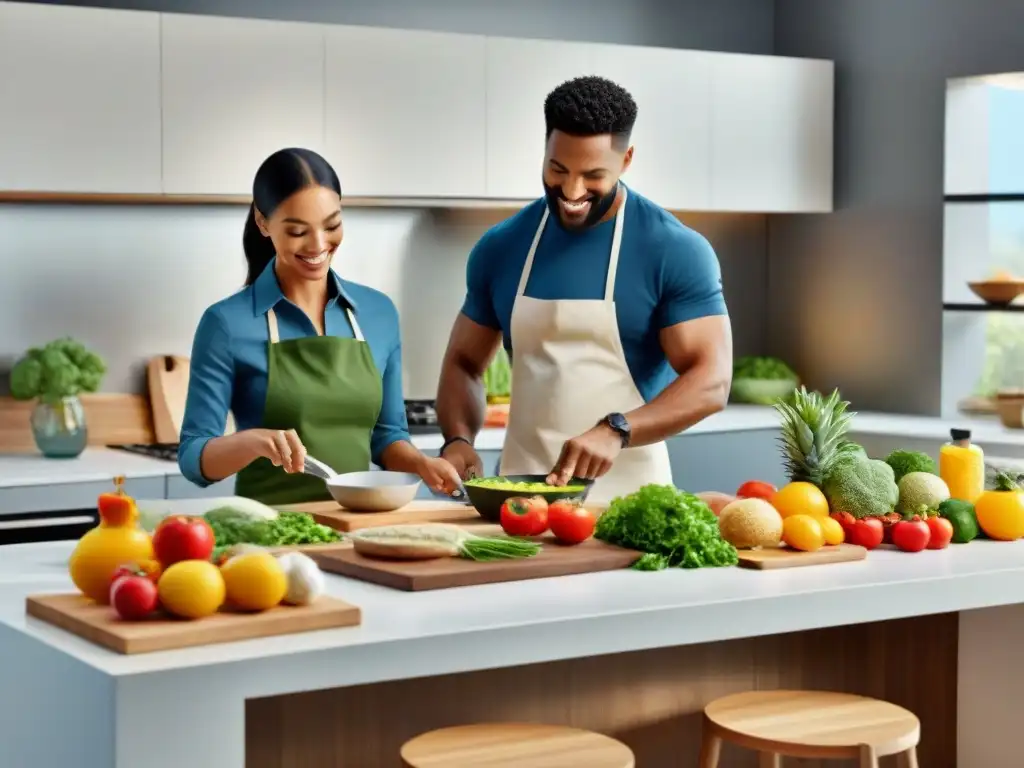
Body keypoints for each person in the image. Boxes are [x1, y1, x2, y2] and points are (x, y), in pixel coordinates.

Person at [435, 76, 733, 504]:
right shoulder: (501, 247)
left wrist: (617, 429)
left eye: (593, 175)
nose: (571, 192)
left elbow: (712, 381)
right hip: (522, 503)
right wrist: (458, 439)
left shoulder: (673, 249)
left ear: (626, 159)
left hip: (634, 506)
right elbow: (463, 362)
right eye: (558, 170)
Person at [179, 148, 460, 505]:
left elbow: (386, 436)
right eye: (297, 231)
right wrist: (252, 442)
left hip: (357, 526)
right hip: (271, 535)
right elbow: (192, 457)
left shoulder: (377, 313)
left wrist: (421, 463)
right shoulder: (226, 324)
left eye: (332, 226)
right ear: (263, 223)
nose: (318, 245)